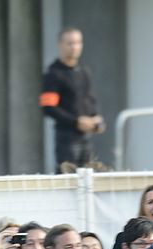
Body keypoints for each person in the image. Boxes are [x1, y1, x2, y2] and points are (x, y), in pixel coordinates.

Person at [41, 26, 104, 171]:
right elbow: (48, 108)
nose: (74, 47)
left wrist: (95, 118)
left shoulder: (84, 71)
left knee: (89, 178)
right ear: (60, 45)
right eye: (70, 43)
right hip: (66, 138)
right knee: (68, 179)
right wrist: (76, 121)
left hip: (86, 137)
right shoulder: (54, 73)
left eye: (78, 42)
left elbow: (90, 99)